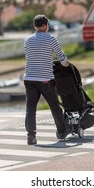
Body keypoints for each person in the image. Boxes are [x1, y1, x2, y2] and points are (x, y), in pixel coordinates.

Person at [23, 14, 71, 145]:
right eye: (47, 24)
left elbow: (30, 56)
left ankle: (31, 136)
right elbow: (61, 57)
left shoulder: (27, 40)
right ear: (44, 26)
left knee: (30, 108)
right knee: (54, 105)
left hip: (29, 78)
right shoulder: (51, 39)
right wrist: (66, 63)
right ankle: (61, 131)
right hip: (45, 79)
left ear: (35, 26)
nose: (48, 26)